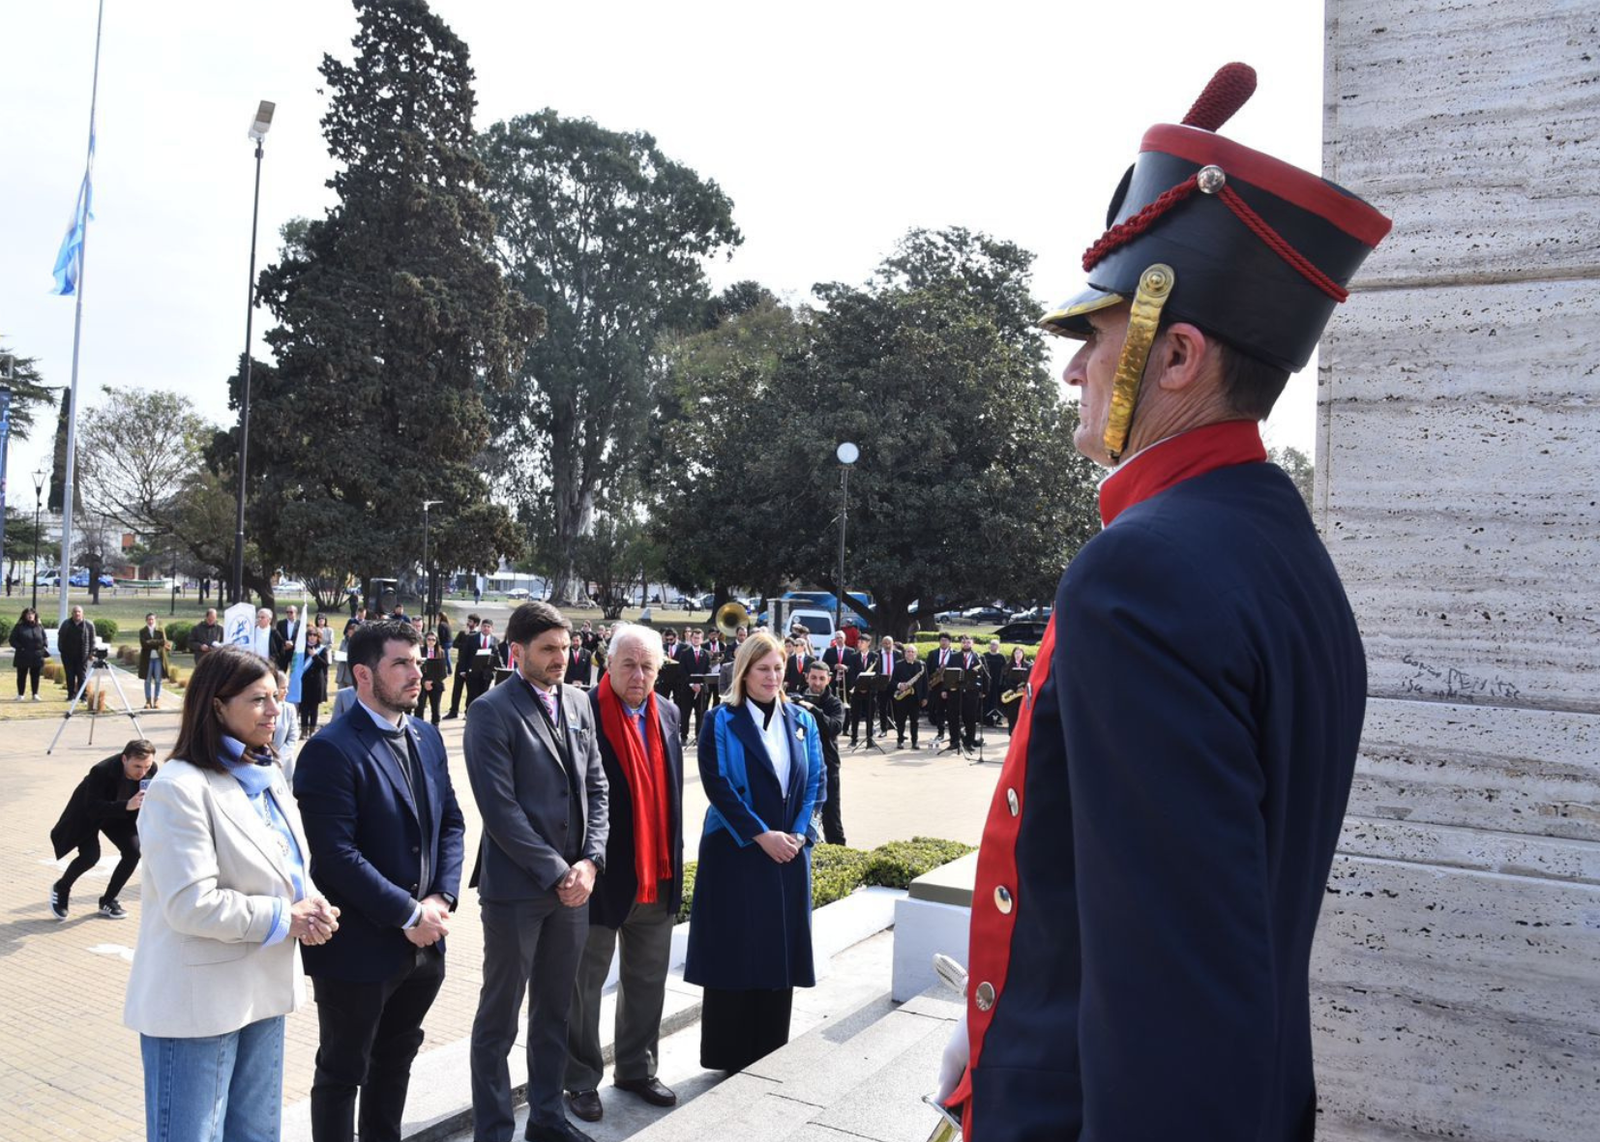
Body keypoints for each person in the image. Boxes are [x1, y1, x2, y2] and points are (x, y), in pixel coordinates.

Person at [935, 64, 1391, 1139]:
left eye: (1093, 336)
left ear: (1174, 351)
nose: (1073, 371)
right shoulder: (1275, 547)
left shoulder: (1141, 575)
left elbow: (1169, 1000)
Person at [123, 644, 339, 1142]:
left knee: (257, 1133)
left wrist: (313, 900)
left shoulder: (266, 774)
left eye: (276, 697)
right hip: (198, 1005)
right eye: (258, 700)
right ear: (216, 705)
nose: (275, 711)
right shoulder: (178, 787)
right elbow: (191, 903)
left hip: (263, 990)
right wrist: (289, 917)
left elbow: (284, 867)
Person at [294, 619, 466, 1142]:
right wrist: (409, 914)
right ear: (364, 674)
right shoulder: (330, 750)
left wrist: (440, 897)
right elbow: (336, 856)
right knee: (344, 1071)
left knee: (395, 1062)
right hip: (359, 950)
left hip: (423, 947)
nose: (418, 672)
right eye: (402, 663)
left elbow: (452, 823)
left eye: (418, 660)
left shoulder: (426, 735)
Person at [464, 602, 608, 1142]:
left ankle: (547, 1120)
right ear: (516, 651)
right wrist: (557, 872)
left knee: (554, 1013)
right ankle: (495, 1131)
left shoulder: (577, 701)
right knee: (498, 1020)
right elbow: (499, 810)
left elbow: (597, 787)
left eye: (566, 649)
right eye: (548, 650)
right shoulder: (490, 710)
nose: (561, 659)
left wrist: (590, 862)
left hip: (575, 889)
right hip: (518, 892)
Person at [684, 632, 824, 1073]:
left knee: (777, 951)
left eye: (778, 667)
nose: (772, 676)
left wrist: (799, 834)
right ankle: (729, 1055)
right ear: (744, 671)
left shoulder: (803, 719)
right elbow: (719, 786)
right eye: (763, 668)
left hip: (788, 853)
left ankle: (769, 1050)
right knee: (737, 949)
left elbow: (816, 782)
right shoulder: (720, 721)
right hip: (737, 851)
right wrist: (762, 836)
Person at [563, 624, 684, 1124]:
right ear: (606, 664)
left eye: (648, 667)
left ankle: (636, 1068)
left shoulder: (670, 714)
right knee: (583, 985)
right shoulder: (581, 712)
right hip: (602, 874)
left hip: (656, 871)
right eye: (629, 664)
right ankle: (579, 1079)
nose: (638, 676)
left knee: (648, 980)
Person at [49, 739, 159, 921]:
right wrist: (127, 805)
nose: (142, 772)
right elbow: (92, 807)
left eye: (146, 766)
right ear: (124, 759)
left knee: (133, 852)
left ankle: (108, 901)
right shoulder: (101, 771)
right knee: (90, 857)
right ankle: (62, 888)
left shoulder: (151, 770)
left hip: (120, 814)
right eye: (137, 766)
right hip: (89, 816)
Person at [795, 660, 846, 845]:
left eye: (821, 679)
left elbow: (834, 727)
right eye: (813, 678)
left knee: (831, 818)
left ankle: (840, 856)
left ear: (828, 680)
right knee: (798, 816)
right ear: (807, 677)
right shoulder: (796, 699)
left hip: (828, 767)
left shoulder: (835, 703)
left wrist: (812, 709)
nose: (817, 683)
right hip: (800, 768)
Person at [673, 628, 711, 744]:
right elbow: (682, 670)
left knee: (700, 713)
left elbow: (707, 670)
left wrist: (700, 684)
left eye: (699, 638)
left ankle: (699, 737)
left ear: (702, 639)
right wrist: (691, 684)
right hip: (687, 688)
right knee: (686, 713)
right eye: (694, 637)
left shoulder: (705, 654)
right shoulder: (685, 653)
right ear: (691, 638)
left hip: (700, 689)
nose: (696, 640)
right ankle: (684, 736)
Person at [891, 644, 929, 749]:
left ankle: (914, 742)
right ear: (905, 653)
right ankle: (900, 740)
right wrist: (900, 685)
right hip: (902, 697)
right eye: (908, 651)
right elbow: (892, 681)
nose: (910, 653)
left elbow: (926, 683)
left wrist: (925, 697)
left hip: (915, 698)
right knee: (900, 720)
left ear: (916, 654)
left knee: (915, 721)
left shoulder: (921, 665)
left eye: (913, 652)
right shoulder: (898, 665)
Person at [444, 613, 480, 719]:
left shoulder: (478, 636)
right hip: (461, 664)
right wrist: (466, 636)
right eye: (468, 621)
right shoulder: (462, 633)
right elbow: (454, 644)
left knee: (471, 690)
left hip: (472, 665)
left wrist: (469, 638)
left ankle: (468, 712)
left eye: (470, 621)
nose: (468, 623)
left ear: (476, 623)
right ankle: (453, 710)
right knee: (457, 688)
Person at [58, 604, 97, 702]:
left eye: (79, 612)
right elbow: (60, 637)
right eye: (75, 612)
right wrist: (61, 650)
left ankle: (83, 697)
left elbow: (93, 640)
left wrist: (92, 653)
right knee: (70, 676)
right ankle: (71, 695)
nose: (77, 614)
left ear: (82, 614)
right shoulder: (66, 624)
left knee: (82, 677)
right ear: (72, 613)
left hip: (82, 656)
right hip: (68, 656)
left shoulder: (88, 624)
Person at [10, 606, 49, 701]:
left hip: (37, 655)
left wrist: (45, 644)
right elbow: (12, 640)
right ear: (24, 616)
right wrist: (20, 647)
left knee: (35, 675)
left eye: (32, 614)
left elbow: (44, 636)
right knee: (21, 675)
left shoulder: (39, 626)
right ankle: (20, 694)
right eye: (28, 614)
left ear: (35, 616)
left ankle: (35, 694)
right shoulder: (19, 626)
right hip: (23, 655)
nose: (30, 616)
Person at [299, 627, 332, 737]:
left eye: (314, 635)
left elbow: (325, 664)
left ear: (318, 637)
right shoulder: (302, 648)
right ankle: (303, 730)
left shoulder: (322, 649)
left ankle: (312, 730)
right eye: (310, 635)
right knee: (304, 707)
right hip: (304, 681)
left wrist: (315, 656)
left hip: (317, 682)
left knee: (314, 707)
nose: (312, 637)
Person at [138, 613, 172, 710]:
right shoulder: (142, 631)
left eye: (152, 619)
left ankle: (157, 699)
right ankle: (148, 700)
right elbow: (144, 644)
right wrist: (156, 642)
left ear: (155, 620)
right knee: (147, 680)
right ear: (146, 620)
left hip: (158, 658)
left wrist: (150, 642)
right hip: (147, 659)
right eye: (149, 619)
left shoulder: (160, 630)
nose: (151, 621)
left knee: (158, 679)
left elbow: (163, 642)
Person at [464, 618, 499, 710]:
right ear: (480, 627)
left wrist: (500, 669)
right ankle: (469, 714)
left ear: (492, 628)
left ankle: (481, 715)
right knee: (472, 695)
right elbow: (465, 655)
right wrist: (463, 670)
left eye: (488, 626)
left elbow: (497, 656)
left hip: (486, 674)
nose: (486, 628)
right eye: (484, 626)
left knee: (484, 696)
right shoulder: (472, 638)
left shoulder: (495, 640)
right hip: (472, 673)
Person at [999, 646, 1030, 731]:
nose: (1018, 655)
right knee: (1012, 715)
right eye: (1016, 653)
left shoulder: (1028, 666)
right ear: (1013, 654)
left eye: (1020, 653)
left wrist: (1023, 687)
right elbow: (1004, 680)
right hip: (1011, 694)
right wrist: (1014, 688)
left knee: (1022, 715)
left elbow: (1030, 679)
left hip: (1023, 695)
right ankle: (1012, 734)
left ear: (1023, 654)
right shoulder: (1008, 666)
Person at [981, 638, 1008, 726]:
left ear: (998, 646)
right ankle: (984, 719)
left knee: (996, 701)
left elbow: (1005, 671)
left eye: (995, 644)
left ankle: (997, 719)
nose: (993, 646)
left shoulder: (1001, 657)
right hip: (987, 683)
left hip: (997, 684)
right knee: (986, 701)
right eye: (992, 644)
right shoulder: (985, 656)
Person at [275, 605, 303, 671]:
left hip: (295, 651)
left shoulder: (300, 624)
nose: (289, 614)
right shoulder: (280, 623)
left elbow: (302, 637)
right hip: (283, 651)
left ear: (296, 612)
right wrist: (285, 643)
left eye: (291, 612)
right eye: (287, 612)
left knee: (295, 672)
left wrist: (292, 643)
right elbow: (278, 636)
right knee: (281, 672)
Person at [336, 619, 359, 690]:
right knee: (341, 693)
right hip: (342, 670)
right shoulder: (344, 641)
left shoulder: (359, 643)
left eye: (352, 633)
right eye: (349, 633)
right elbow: (340, 651)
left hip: (351, 673)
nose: (350, 635)